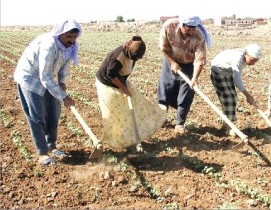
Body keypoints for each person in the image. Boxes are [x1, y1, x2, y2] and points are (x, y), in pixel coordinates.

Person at [13, 19, 81, 165]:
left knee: (53, 112)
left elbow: (64, 65)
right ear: (59, 34)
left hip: (46, 77)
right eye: (68, 37)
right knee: (37, 116)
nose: (72, 41)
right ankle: (42, 153)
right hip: (30, 78)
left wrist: (62, 81)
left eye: (74, 37)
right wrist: (64, 97)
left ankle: (52, 146)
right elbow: (45, 77)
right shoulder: (49, 46)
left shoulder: (71, 46)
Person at [95, 35, 166, 149]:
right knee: (116, 113)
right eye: (135, 57)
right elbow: (111, 76)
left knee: (137, 103)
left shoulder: (132, 55)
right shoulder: (118, 57)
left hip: (121, 82)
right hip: (107, 84)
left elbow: (123, 72)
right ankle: (118, 139)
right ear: (129, 49)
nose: (136, 59)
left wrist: (125, 88)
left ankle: (133, 135)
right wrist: (124, 90)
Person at [157, 16, 211, 134]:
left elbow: (199, 60)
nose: (191, 32)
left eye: (193, 29)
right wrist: (172, 62)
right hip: (170, 60)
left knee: (186, 94)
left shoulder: (199, 36)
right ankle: (161, 119)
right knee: (165, 90)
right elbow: (164, 48)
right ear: (181, 25)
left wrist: (194, 78)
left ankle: (179, 124)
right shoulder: (169, 26)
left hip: (188, 65)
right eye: (188, 29)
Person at [210, 44, 262, 135]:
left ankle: (226, 123)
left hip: (227, 72)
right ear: (246, 54)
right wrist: (248, 95)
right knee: (229, 98)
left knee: (232, 97)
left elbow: (236, 77)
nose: (253, 63)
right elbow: (237, 79)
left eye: (256, 61)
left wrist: (247, 95)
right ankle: (229, 127)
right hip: (218, 70)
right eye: (253, 60)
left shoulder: (244, 59)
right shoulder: (238, 59)